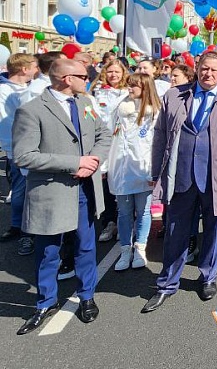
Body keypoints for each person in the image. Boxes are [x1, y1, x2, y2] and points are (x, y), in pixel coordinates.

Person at [142, 51, 217, 313]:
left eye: (214, 70)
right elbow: (159, 137)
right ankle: (167, 283)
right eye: (204, 69)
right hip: (181, 176)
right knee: (175, 232)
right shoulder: (174, 96)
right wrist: (156, 172)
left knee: (214, 231)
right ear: (197, 68)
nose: (208, 74)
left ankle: (208, 277)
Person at [12, 59, 112, 334]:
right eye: (84, 76)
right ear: (68, 79)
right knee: (48, 252)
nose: (88, 79)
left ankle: (86, 295)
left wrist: (94, 161)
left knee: (85, 246)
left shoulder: (86, 104)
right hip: (51, 193)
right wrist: (74, 162)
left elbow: (104, 135)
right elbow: (24, 155)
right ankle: (45, 302)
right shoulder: (31, 111)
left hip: (85, 190)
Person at [107, 73, 161, 271]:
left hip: (143, 170)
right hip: (121, 168)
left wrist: (154, 171)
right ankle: (125, 249)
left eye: (134, 86)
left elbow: (157, 145)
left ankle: (140, 248)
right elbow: (108, 135)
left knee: (144, 211)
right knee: (124, 212)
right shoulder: (119, 108)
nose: (129, 89)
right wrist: (105, 165)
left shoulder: (154, 113)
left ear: (145, 88)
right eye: (128, 85)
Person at [0, 53, 39, 255]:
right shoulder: (5, 92)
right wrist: (14, 149)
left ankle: (23, 228)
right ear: (24, 69)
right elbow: (7, 123)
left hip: (35, 149)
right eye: (34, 66)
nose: (37, 69)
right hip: (20, 150)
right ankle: (23, 232)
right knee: (21, 194)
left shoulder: (29, 89)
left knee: (28, 194)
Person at [89, 58, 130, 244]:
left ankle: (126, 222)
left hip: (121, 143)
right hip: (101, 142)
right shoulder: (96, 92)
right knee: (105, 186)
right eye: (110, 72)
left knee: (122, 185)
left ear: (123, 75)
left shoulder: (127, 93)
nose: (113, 75)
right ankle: (109, 221)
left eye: (117, 72)